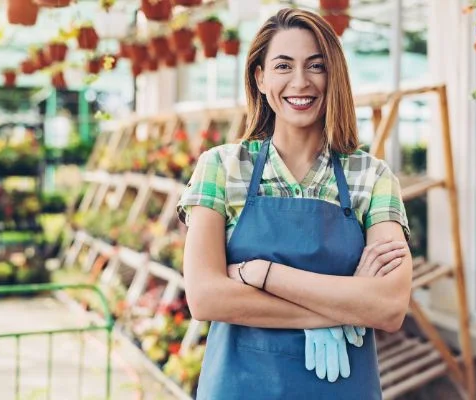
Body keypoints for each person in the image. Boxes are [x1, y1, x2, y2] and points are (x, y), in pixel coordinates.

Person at [176, 8, 412, 399]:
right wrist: (346, 306)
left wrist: (263, 274)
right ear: (260, 77)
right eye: (283, 65)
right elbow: (205, 297)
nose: (300, 82)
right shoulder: (221, 167)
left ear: (333, 74)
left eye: (315, 66)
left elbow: (388, 306)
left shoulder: (372, 177)